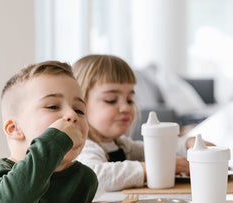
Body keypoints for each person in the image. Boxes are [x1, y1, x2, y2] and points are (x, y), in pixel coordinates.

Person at [0, 61, 98, 203]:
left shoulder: (84, 180)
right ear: (14, 129)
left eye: (79, 110)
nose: (72, 115)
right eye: (52, 106)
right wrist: (55, 141)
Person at [72, 54, 210, 194]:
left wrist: (187, 144)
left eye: (130, 100)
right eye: (111, 99)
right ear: (79, 106)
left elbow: (152, 150)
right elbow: (93, 175)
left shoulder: (120, 144)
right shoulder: (81, 146)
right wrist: (157, 167)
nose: (126, 107)